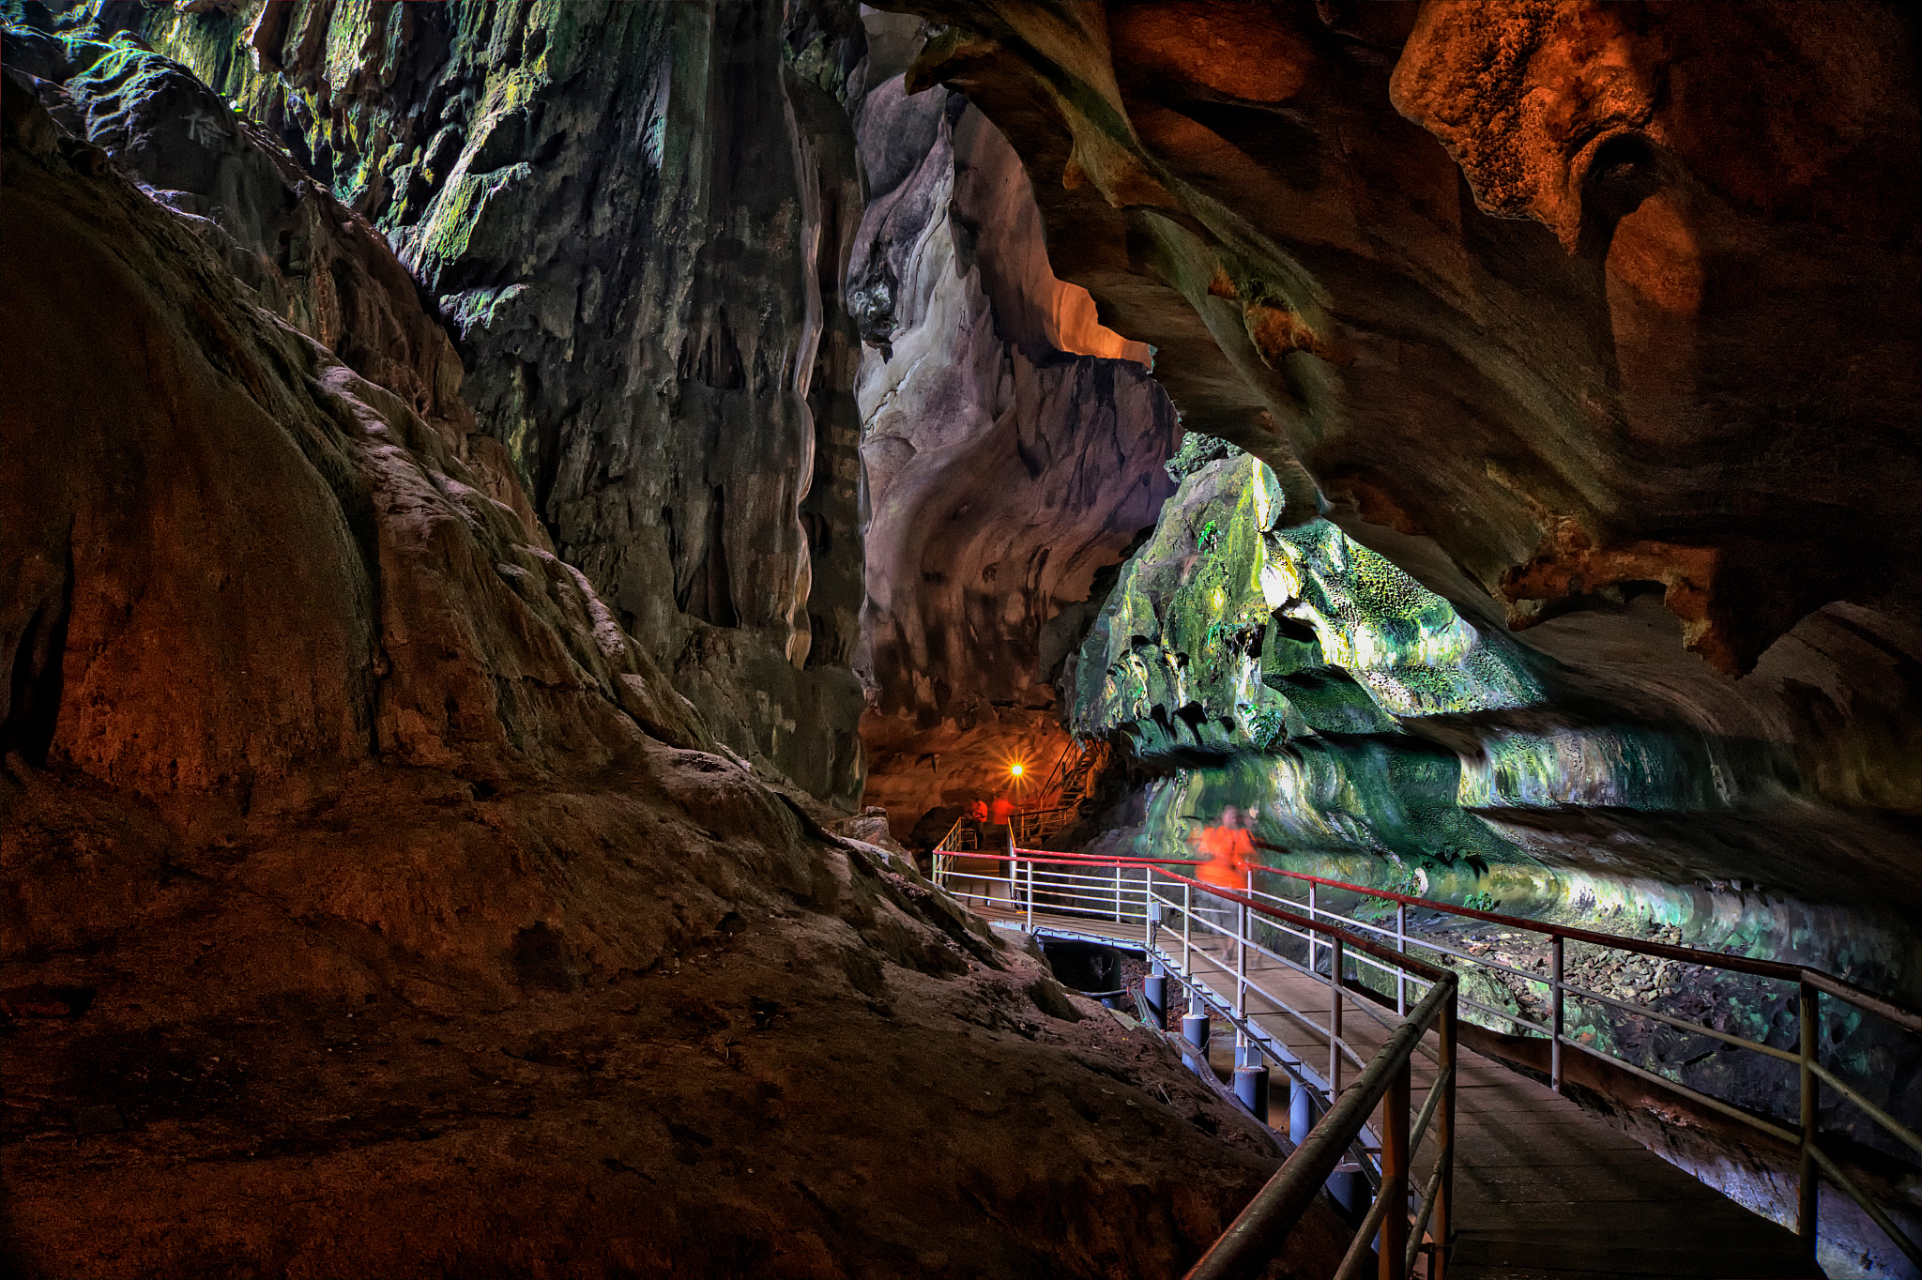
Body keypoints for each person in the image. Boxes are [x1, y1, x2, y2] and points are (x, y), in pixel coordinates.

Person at [1191, 805, 1255, 939]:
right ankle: (1226, 950)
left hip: (1230, 885)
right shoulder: (1212, 833)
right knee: (1217, 920)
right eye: (1228, 816)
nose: (1231, 820)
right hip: (1211, 882)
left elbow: (1246, 856)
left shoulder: (1240, 834)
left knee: (1232, 921)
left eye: (1233, 817)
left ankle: (1232, 951)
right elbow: (1201, 852)